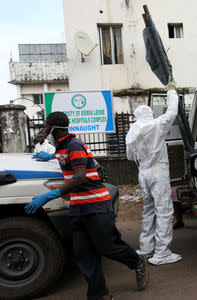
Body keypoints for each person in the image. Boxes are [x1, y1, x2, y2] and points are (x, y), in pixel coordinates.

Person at [28, 112, 149, 300]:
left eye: (46, 127)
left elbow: (79, 176)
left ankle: (137, 262)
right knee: (84, 255)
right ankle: (100, 295)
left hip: (96, 205)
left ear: (54, 128)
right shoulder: (62, 147)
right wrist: (51, 157)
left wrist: (49, 195)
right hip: (78, 208)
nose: (44, 131)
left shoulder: (74, 145)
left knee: (108, 247)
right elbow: (68, 161)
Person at [126, 81, 182, 265]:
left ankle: (146, 248)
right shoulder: (157, 125)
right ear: (150, 113)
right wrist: (171, 91)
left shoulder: (133, 132)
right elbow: (172, 111)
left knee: (148, 210)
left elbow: (129, 156)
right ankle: (162, 253)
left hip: (143, 173)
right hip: (158, 172)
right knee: (164, 211)